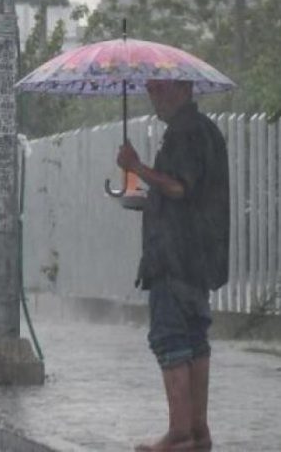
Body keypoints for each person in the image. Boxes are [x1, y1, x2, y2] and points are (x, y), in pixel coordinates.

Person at [116, 79, 229, 452]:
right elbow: (188, 195)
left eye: (161, 89)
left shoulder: (185, 133)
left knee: (171, 340)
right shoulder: (205, 130)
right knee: (195, 341)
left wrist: (136, 166)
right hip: (199, 256)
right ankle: (197, 433)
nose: (154, 97)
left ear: (183, 89)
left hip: (175, 256)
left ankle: (180, 434)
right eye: (150, 90)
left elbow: (180, 186)